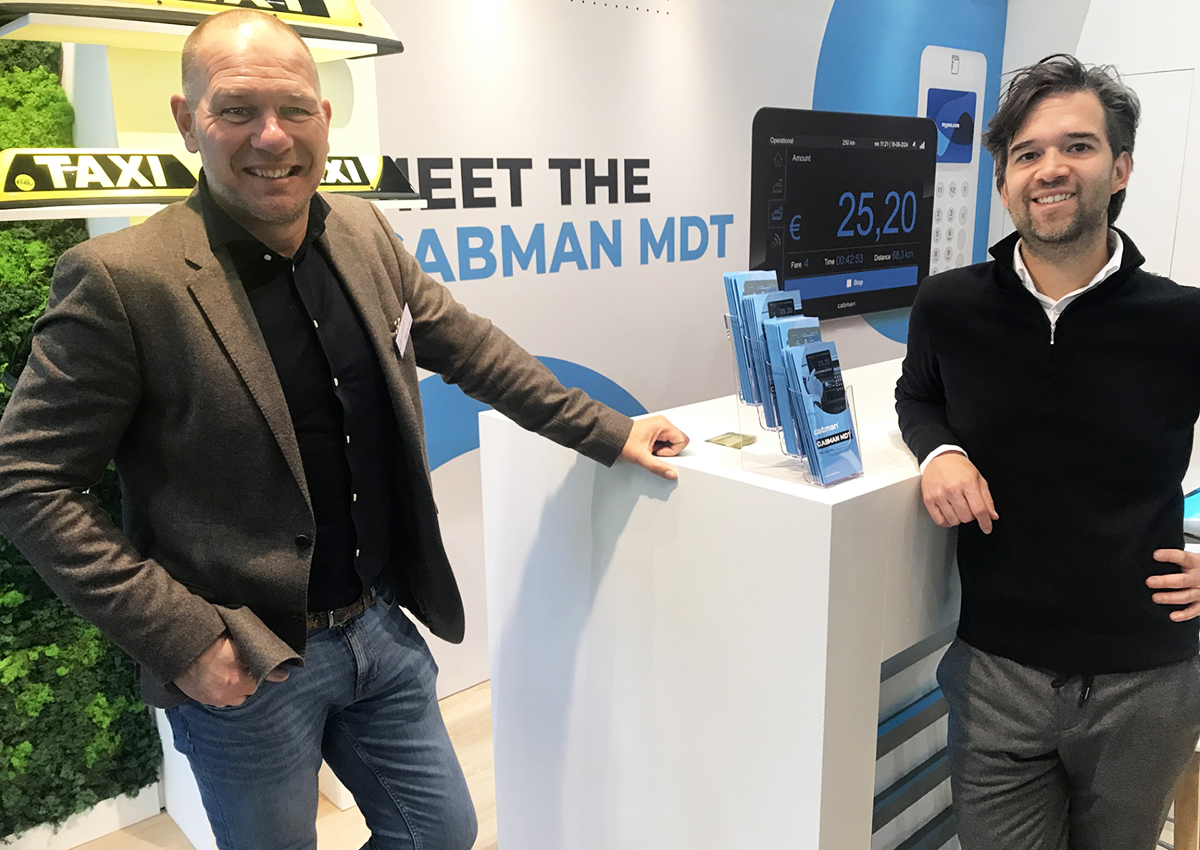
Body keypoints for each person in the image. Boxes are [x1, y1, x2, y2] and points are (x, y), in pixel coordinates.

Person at [0, 10, 689, 850]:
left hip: (379, 624)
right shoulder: (122, 279)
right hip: (247, 662)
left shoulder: (362, 231)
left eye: (294, 108)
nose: (271, 136)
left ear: (324, 117)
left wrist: (609, 431)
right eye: (237, 110)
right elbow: (28, 481)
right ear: (187, 121)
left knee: (440, 833)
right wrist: (182, 638)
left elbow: (472, 349)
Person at [896, 54, 1200, 850]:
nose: (1051, 168)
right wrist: (940, 452)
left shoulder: (1183, 320)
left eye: (1078, 146)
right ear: (1004, 184)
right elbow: (916, 395)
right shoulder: (949, 306)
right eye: (1026, 153)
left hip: (1147, 679)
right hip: (996, 672)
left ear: (1121, 167)